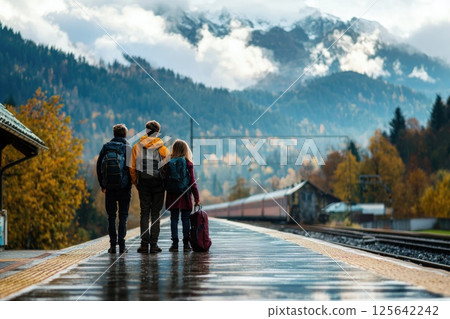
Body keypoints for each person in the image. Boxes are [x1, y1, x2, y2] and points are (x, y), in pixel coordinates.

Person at [130, 120, 169, 253]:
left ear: (146, 132)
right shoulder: (162, 148)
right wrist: (163, 182)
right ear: (158, 132)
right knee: (156, 214)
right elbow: (166, 168)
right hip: (158, 184)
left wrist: (136, 182)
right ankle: (153, 245)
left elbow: (132, 168)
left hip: (143, 184)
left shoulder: (137, 147)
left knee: (144, 213)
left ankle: (144, 244)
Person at [96, 124, 131, 254]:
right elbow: (132, 168)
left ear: (114, 134)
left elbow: (99, 166)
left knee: (111, 217)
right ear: (125, 134)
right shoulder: (127, 147)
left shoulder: (106, 147)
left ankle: (112, 246)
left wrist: (102, 185)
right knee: (123, 216)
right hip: (124, 187)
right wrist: (131, 183)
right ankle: (122, 246)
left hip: (109, 187)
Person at [165, 139, 200, 252]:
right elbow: (193, 182)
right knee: (186, 219)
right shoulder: (188, 163)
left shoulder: (168, 162)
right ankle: (186, 244)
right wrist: (197, 198)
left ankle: (175, 244)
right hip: (185, 195)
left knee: (174, 219)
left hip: (172, 195)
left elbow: (164, 179)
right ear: (186, 150)